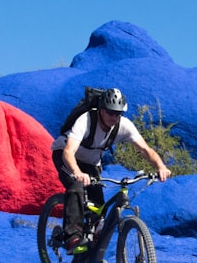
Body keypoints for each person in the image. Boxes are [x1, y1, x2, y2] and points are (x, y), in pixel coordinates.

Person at [50, 87, 171, 252]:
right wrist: (77, 173)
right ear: (101, 110)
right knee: (76, 187)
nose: (114, 117)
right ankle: (72, 237)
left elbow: (145, 150)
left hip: (91, 164)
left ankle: (89, 251)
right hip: (66, 156)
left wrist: (160, 167)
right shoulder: (86, 120)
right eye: (110, 112)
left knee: (99, 208)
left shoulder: (124, 125)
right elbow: (68, 151)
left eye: (118, 113)